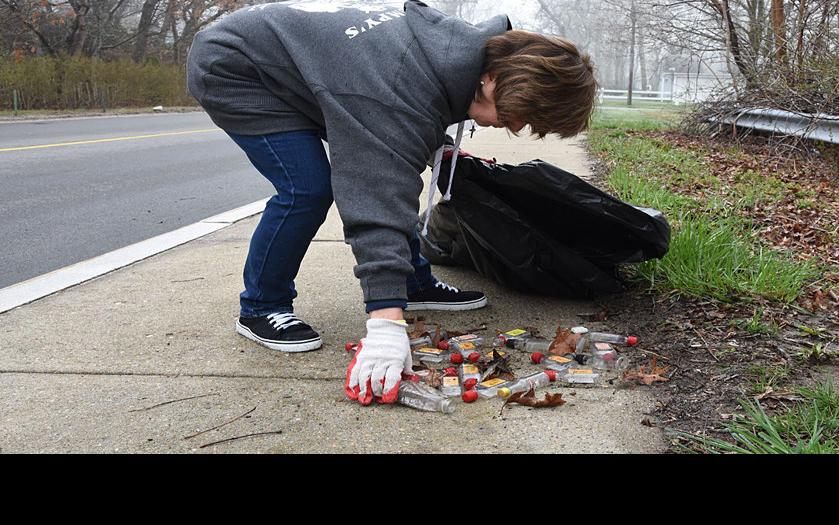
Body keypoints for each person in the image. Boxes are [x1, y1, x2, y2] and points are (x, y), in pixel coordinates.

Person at [186, 0, 597, 406]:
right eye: (518, 114)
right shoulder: (395, 86)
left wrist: (436, 145)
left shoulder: (462, 53)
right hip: (239, 66)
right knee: (307, 189)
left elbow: (412, 121)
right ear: (491, 79)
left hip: (313, 64)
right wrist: (385, 322)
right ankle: (261, 305)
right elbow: (376, 194)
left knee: (393, 162)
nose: (516, 126)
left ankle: (414, 283)